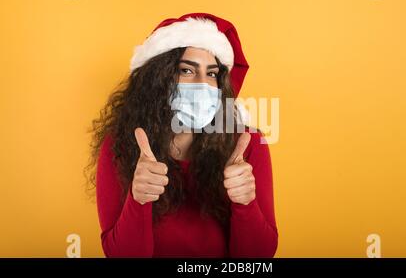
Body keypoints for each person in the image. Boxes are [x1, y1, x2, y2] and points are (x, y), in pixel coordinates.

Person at [86, 13, 278, 257]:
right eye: (187, 70)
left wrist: (246, 203)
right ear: (157, 80)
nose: (202, 84)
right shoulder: (120, 146)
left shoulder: (247, 144)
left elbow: (257, 259)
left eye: (212, 74)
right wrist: (139, 200)